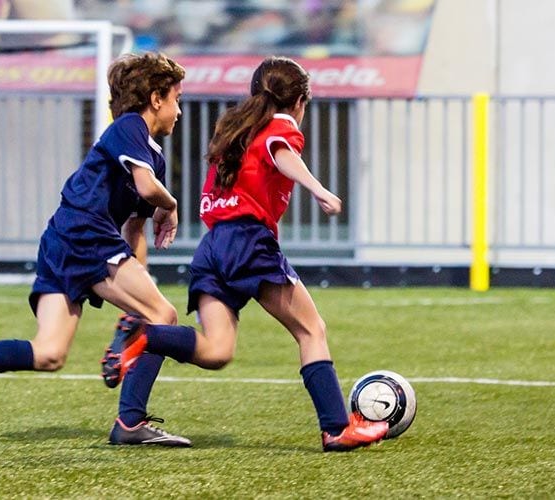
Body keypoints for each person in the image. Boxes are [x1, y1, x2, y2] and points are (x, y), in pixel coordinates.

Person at [101, 56, 389, 452]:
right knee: (311, 330)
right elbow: (280, 149)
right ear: (300, 102)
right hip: (248, 243)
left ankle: (141, 349)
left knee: (217, 351)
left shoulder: (235, 128)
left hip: (213, 247)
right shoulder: (279, 126)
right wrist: (317, 188)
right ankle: (337, 429)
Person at [0, 52, 192, 447]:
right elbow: (148, 192)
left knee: (49, 354)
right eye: (177, 98)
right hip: (84, 234)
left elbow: (135, 229)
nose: (179, 110)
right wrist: (173, 205)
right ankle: (130, 424)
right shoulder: (129, 125)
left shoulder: (152, 158)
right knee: (164, 316)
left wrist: (134, 308)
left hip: (64, 242)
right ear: (156, 98)